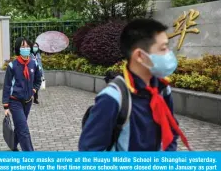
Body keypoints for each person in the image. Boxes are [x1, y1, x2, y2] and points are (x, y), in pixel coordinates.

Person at [79, 19, 191, 151]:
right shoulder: (113, 98)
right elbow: (90, 151)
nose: (168, 54)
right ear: (139, 56)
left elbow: (171, 128)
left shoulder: (162, 88)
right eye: (163, 49)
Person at [2, 37, 42, 151]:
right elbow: (7, 86)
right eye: (23, 46)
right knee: (24, 129)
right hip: (15, 101)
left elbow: (38, 80)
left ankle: (13, 145)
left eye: (27, 46)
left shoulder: (34, 64)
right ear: (18, 49)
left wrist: (33, 90)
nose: (26, 48)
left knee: (20, 127)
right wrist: (5, 105)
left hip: (28, 101)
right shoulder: (12, 66)